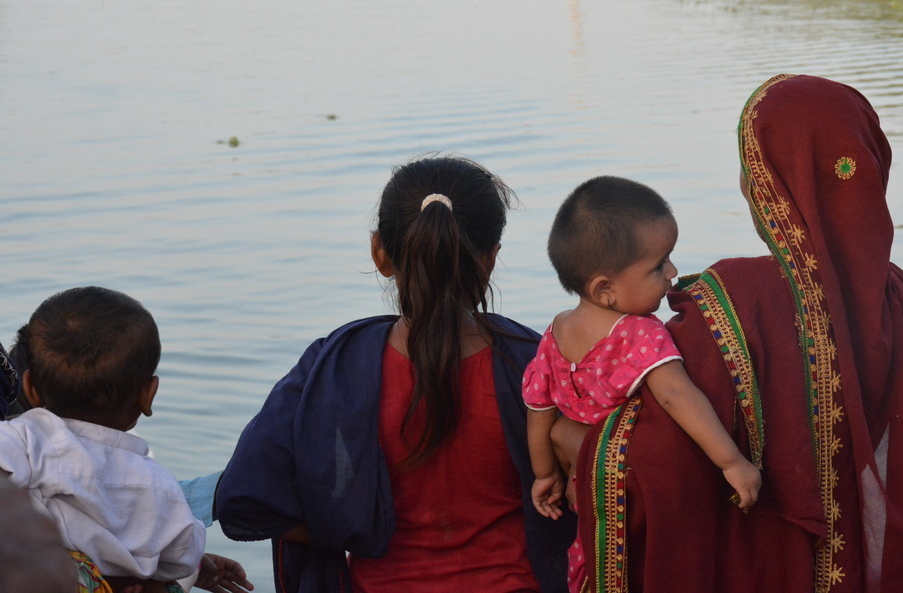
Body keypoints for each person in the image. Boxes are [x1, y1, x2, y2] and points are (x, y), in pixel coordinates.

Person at [569, 75, 903, 592]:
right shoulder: (901, 298)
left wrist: (569, 440)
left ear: (775, 180)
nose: (744, 182)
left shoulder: (736, 299)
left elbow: (652, 454)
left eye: (750, 165)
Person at [215, 156, 577, 593]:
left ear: (379, 253)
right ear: (490, 260)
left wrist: (352, 526)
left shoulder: (335, 367)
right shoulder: (537, 364)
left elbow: (244, 502)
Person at [523, 176, 762, 592]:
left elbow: (539, 410)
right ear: (605, 289)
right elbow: (676, 396)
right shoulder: (639, 334)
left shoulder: (556, 330)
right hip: (633, 491)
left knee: (595, 565)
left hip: (587, 488)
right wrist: (731, 462)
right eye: (658, 266)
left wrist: (545, 475)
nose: (672, 272)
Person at [0, 287, 254, 593]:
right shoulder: (159, 484)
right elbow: (181, 557)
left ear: (28, 387)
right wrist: (191, 568)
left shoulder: (19, 439)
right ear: (148, 395)